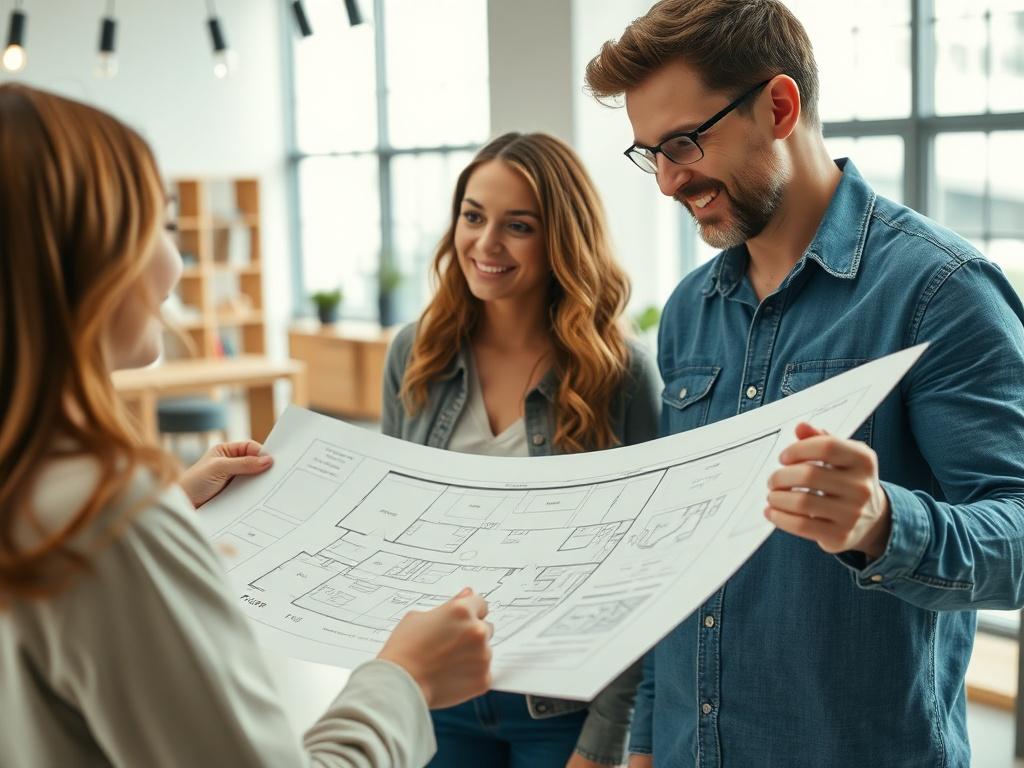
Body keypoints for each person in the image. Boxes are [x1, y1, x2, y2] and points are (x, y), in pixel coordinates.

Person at [583, 2, 1024, 767]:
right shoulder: (689, 311)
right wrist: (648, 741)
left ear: (780, 107)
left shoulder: (940, 292)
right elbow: (674, 563)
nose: (668, 182)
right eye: (651, 154)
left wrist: (883, 523)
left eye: (684, 143)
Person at [0, 83, 492, 768]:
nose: (174, 266)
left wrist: (169, 507)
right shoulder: (105, 521)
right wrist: (405, 678)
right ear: (77, 259)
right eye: (156, 227)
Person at [381, 132, 662, 768]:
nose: (486, 244)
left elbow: (642, 574)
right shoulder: (415, 354)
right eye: (473, 216)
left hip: (561, 705)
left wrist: (609, 739)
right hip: (436, 694)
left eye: (518, 226)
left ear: (562, 238)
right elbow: (394, 529)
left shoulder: (620, 374)